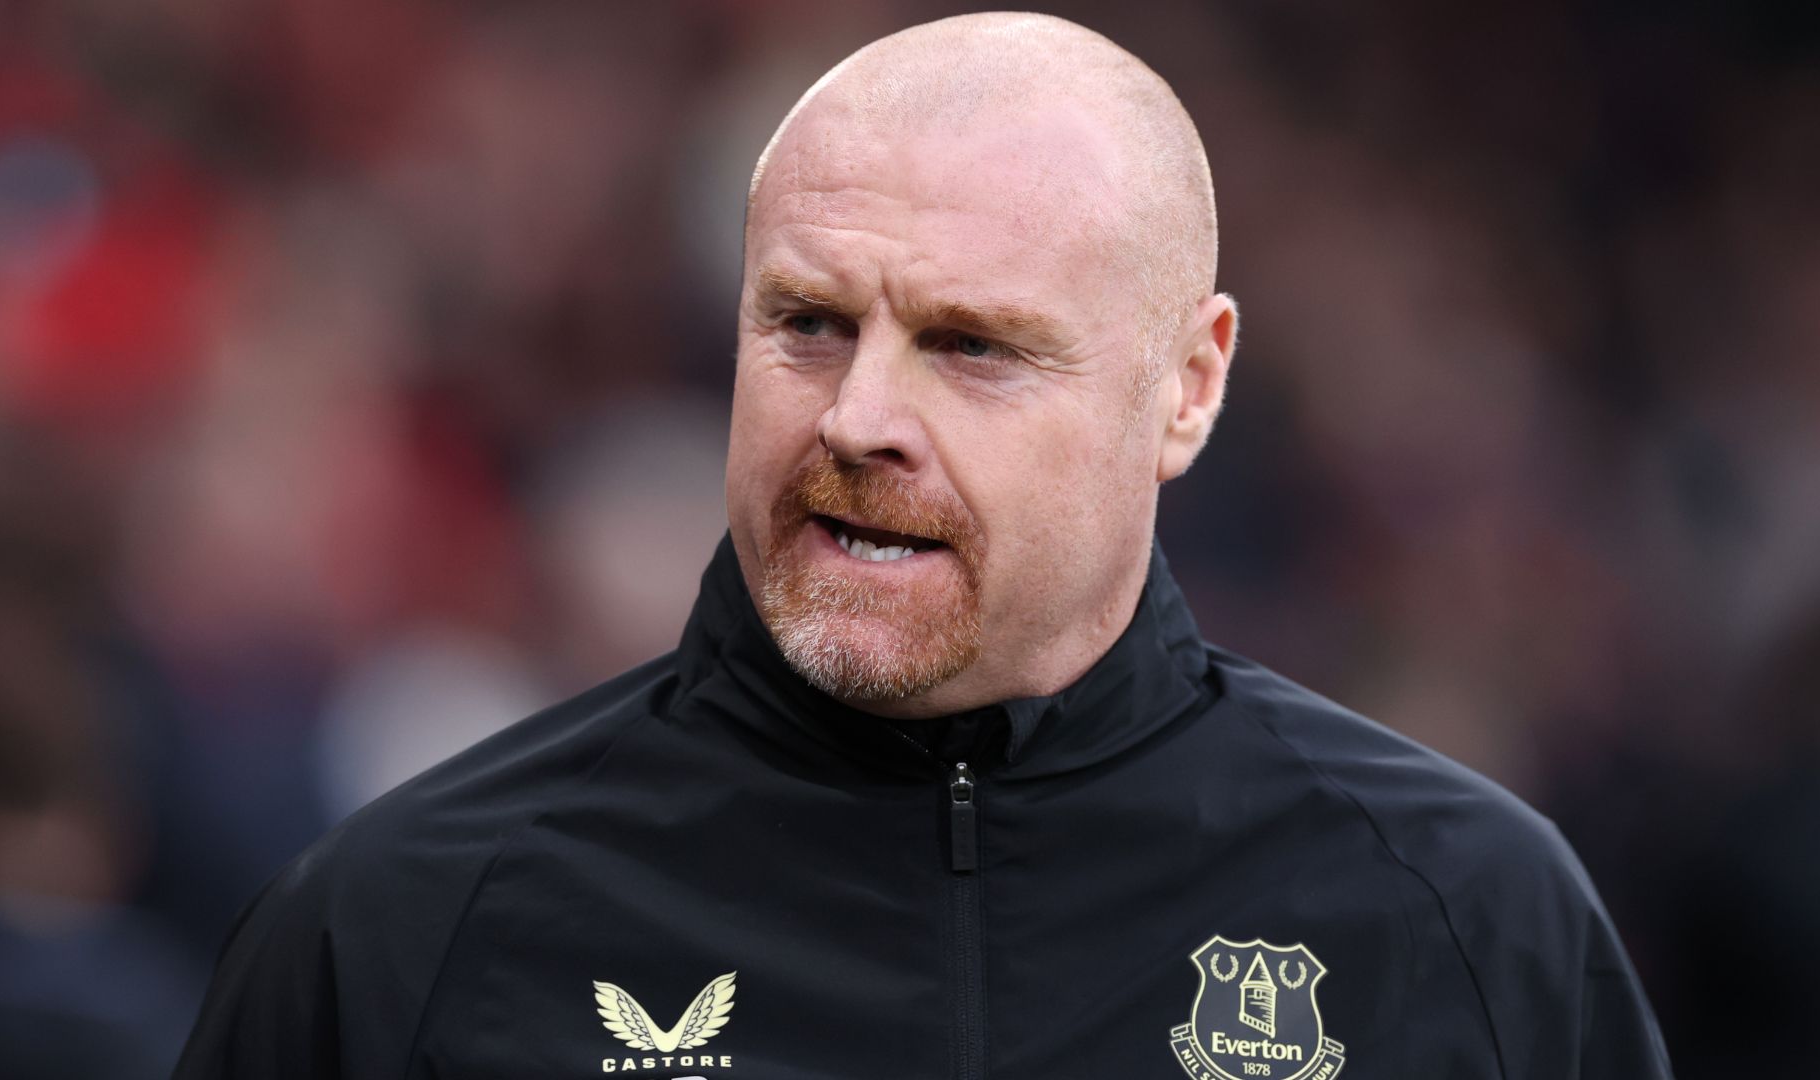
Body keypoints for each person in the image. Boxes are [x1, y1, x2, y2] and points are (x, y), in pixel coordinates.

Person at [174, 13, 1671, 1079]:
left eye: (972, 345)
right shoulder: (402, 931)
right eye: (808, 323)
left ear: (1187, 387)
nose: (859, 417)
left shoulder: (1467, 919)